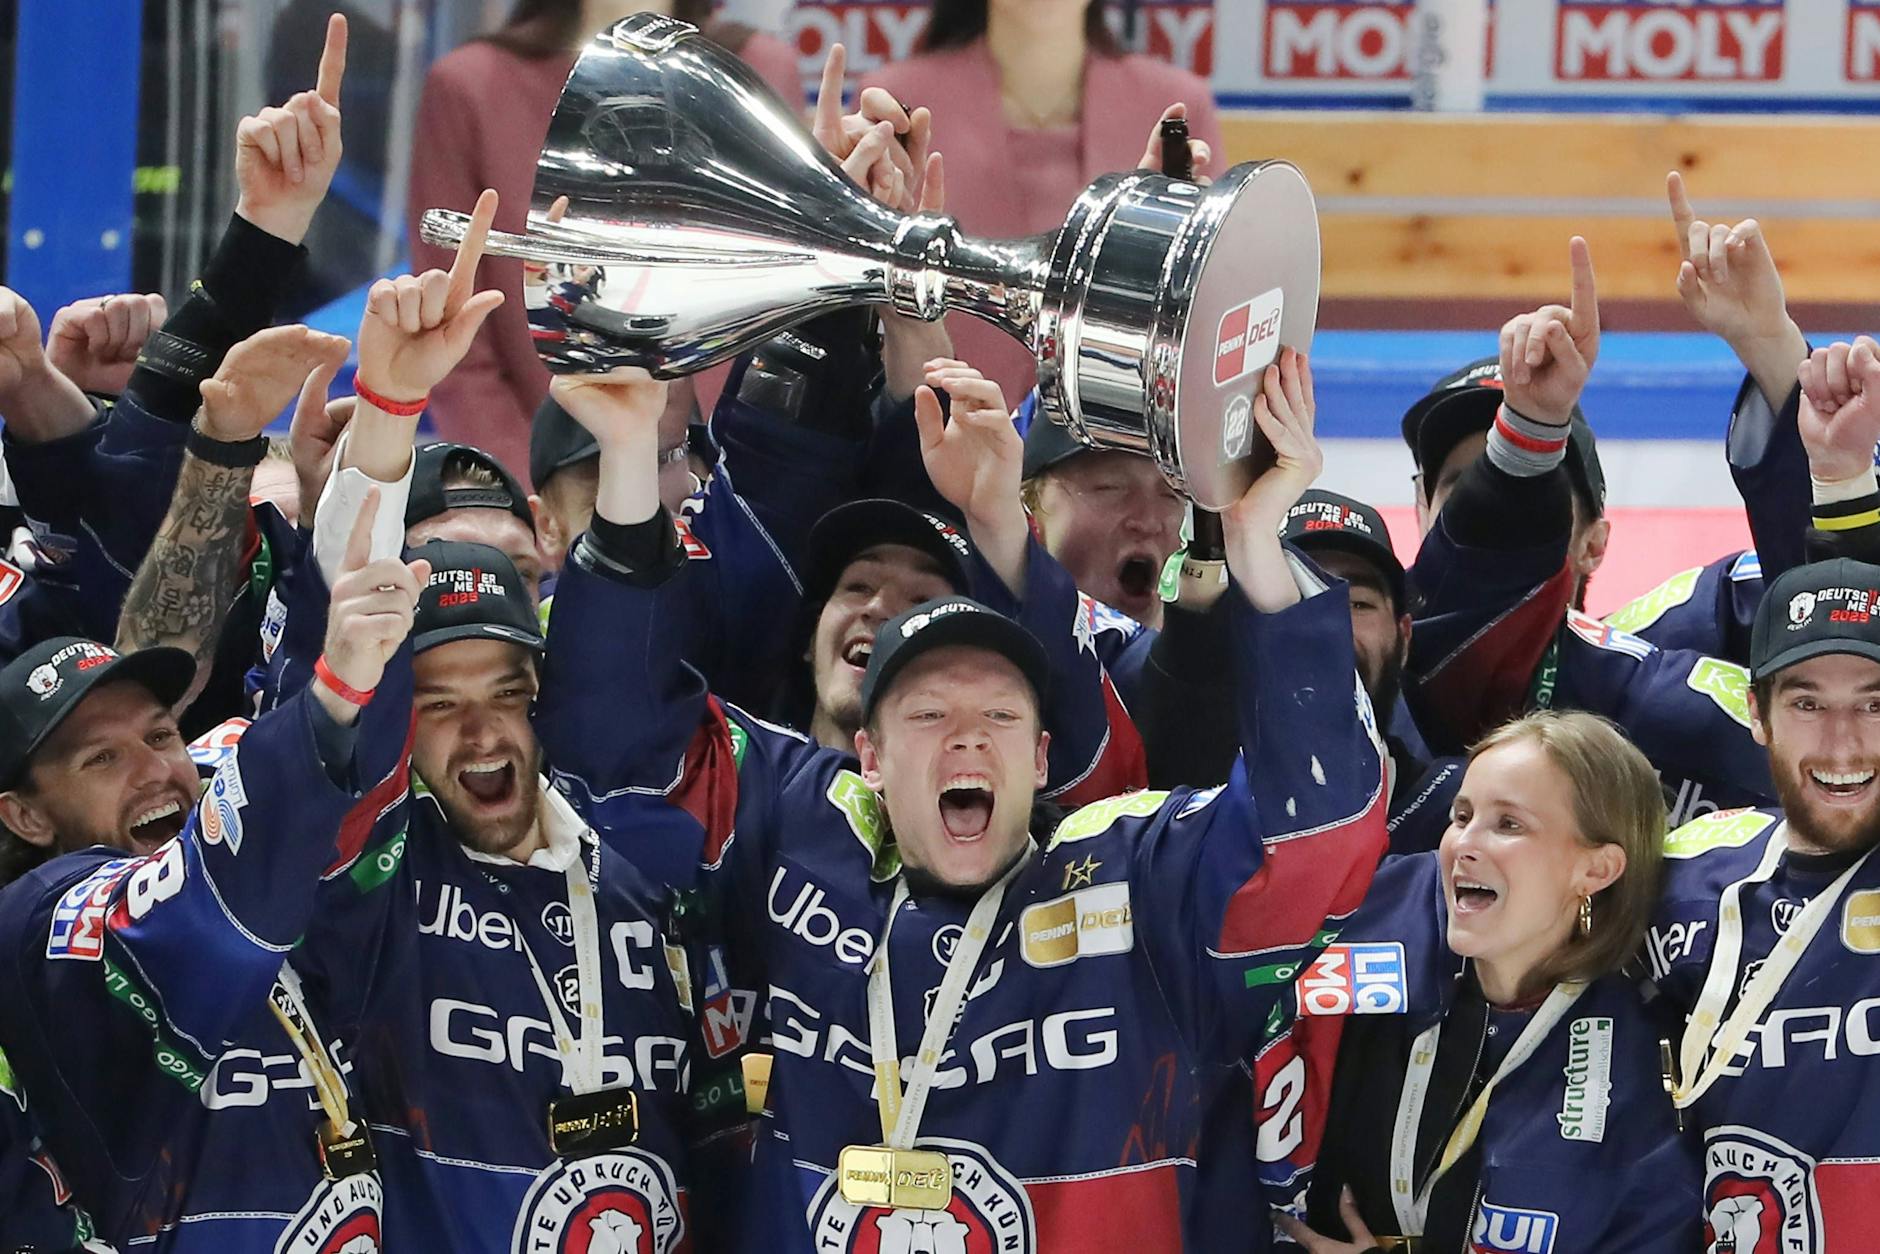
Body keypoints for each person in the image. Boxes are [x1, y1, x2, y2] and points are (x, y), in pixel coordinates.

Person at [536, 341, 1389, 1252]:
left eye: (999, 716)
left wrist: (1257, 543)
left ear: (1041, 756)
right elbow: (618, 752)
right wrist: (630, 460)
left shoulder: (1132, 878)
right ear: (867, 753)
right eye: (930, 713)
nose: (968, 738)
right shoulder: (798, 827)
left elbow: (1319, 832)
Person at [0, 502, 420, 1251]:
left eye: (160, 734)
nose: (156, 769)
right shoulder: (37, 920)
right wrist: (336, 695)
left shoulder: (239, 844)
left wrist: (356, 479)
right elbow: (201, 892)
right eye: (102, 759)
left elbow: (329, 770)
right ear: (26, 818)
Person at [1274, 710, 1699, 1252]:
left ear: (1596, 870)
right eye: (1461, 816)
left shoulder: (1641, 1069)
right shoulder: (1374, 953)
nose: (1463, 845)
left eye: (1509, 825)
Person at [1400, 238, 1777, 831]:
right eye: (1463, 493)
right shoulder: (1357, 655)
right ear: (1419, 513)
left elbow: (1831, 597)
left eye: (1534, 493)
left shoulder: (1687, 654)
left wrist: (1776, 354)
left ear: (1593, 542)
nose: (1496, 512)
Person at [1647, 338, 1880, 1249]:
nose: (1844, 742)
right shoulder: (1677, 884)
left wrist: (1848, 479)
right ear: (1756, 716)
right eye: (1808, 704)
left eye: (1873, 704)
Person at [407, 0, 798, 480]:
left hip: (737, 490)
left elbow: (789, 311)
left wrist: (745, 506)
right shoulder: (471, 86)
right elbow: (460, 344)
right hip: (552, 498)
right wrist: (536, 500)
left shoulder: (760, 70)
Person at [860, 0, 1223, 404]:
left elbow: (1207, 314)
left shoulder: (1176, 106)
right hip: (932, 434)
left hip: (1118, 446)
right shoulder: (896, 103)